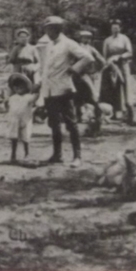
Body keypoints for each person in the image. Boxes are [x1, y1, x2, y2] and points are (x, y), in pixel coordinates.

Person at [37, 16, 94, 166]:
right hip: (49, 90)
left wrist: (73, 69)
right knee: (54, 123)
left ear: (58, 29)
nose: (48, 32)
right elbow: (45, 67)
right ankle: (57, 154)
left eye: (50, 28)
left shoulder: (68, 43)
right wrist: (40, 83)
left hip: (64, 89)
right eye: (46, 28)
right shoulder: (48, 45)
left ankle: (77, 156)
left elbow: (88, 57)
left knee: (71, 123)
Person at [101, 19, 134, 123]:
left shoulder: (124, 39)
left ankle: (128, 113)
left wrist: (120, 56)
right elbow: (104, 55)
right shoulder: (107, 40)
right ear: (111, 28)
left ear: (120, 28)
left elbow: (130, 53)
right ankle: (114, 112)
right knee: (112, 88)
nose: (115, 29)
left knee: (125, 86)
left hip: (122, 65)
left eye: (117, 27)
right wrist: (108, 63)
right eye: (113, 27)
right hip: (111, 66)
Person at [75, 29, 107, 134]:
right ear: (80, 38)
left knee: (92, 96)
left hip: (87, 75)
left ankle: (97, 117)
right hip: (75, 75)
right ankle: (78, 117)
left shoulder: (91, 49)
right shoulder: (75, 47)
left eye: (88, 38)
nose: (86, 39)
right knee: (76, 96)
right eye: (84, 37)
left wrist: (96, 71)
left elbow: (102, 61)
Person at [5, 73, 38, 164]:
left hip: (25, 120)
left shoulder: (28, 97)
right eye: (16, 87)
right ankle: (13, 155)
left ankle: (27, 154)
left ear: (25, 87)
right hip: (14, 120)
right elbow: (8, 106)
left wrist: (37, 90)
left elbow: (35, 97)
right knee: (14, 138)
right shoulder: (12, 98)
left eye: (21, 87)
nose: (18, 89)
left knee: (25, 137)